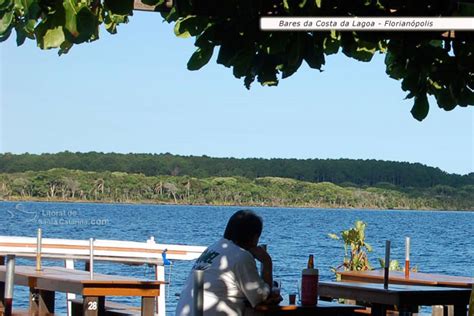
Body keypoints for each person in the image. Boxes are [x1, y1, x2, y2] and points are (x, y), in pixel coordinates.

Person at [176, 210, 281, 316]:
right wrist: (267, 262)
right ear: (254, 237)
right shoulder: (240, 255)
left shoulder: (212, 248)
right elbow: (260, 298)